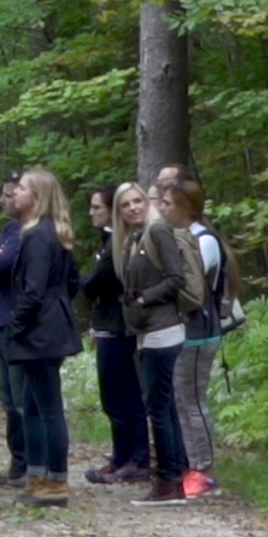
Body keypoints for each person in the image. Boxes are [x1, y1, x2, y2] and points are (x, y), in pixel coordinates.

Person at [0, 168, 81, 502]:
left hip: (40, 331)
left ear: (36, 197)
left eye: (21, 188)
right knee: (31, 405)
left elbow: (34, 290)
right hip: (45, 326)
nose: (14, 193)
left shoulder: (40, 235)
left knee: (48, 407)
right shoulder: (43, 232)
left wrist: (17, 326)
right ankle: (37, 476)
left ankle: (56, 482)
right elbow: (72, 282)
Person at [109, 176, 207, 502]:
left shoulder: (157, 231)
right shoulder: (134, 239)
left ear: (146, 202)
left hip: (164, 331)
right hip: (147, 333)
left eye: (138, 201)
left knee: (159, 408)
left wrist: (143, 299)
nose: (133, 208)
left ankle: (167, 481)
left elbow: (176, 277)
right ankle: (173, 475)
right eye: (126, 205)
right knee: (162, 407)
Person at [164, 167, 229, 503]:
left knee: (192, 401)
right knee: (182, 399)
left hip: (199, 333)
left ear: (184, 207)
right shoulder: (185, 238)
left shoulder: (204, 242)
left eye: (168, 204)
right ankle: (192, 464)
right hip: (185, 331)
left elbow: (189, 287)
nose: (163, 209)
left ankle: (203, 469)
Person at [80, 182, 151, 482]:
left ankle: (135, 457)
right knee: (114, 396)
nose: (91, 213)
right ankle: (122, 455)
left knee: (123, 394)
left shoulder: (117, 247)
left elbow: (93, 283)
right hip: (109, 324)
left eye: (97, 207)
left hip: (120, 328)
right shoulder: (108, 244)